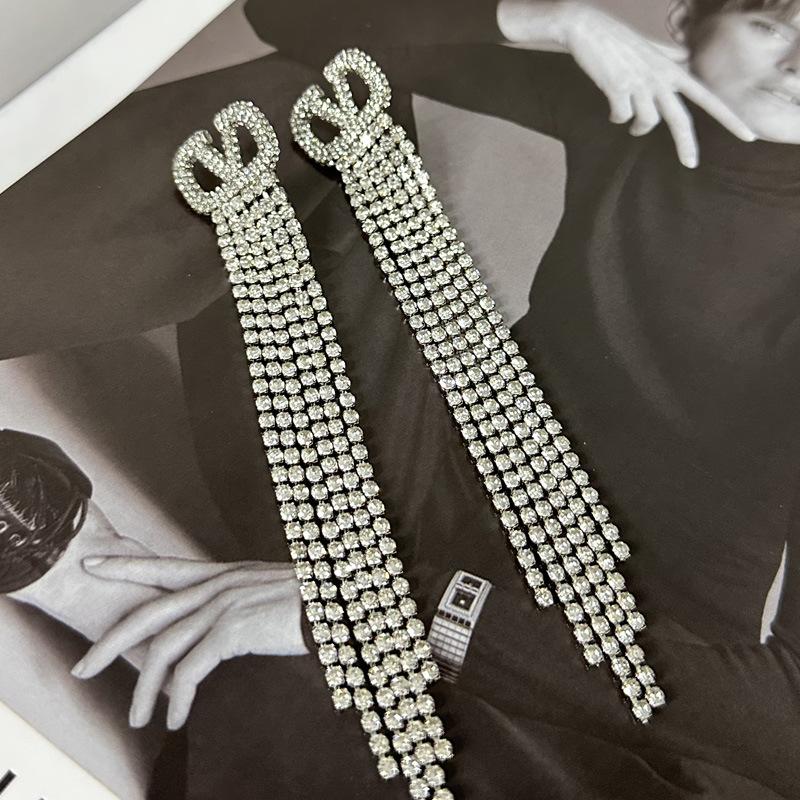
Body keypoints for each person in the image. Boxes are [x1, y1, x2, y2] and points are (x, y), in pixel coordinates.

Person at [1, 1, 798, 797]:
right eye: (772, 23)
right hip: (408, 490)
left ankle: (129, 608)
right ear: (687, 19)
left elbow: (783, 721)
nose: (797, 67)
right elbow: (289, 17)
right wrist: (546, 19)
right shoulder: (635, 113)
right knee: (322, 107)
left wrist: (397, 611)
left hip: (594, 654)